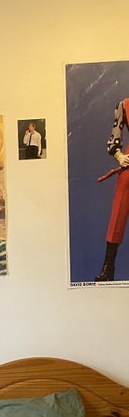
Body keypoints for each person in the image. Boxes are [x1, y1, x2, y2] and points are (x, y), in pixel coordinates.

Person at [95, 97, 129, 281]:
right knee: (118, 212)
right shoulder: (125, 105)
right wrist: (119, 156)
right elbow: (115, 136)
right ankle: (108, 267)